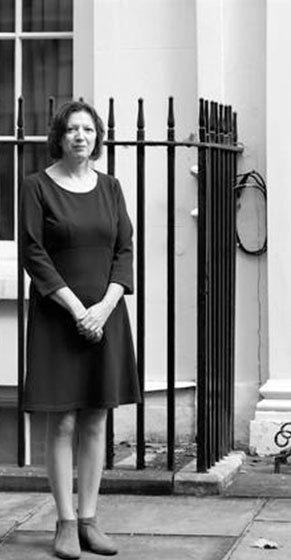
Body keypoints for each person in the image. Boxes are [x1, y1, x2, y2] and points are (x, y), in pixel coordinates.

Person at [21, 100, 140, 558]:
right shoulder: (37, 186)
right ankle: (65, 523)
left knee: (95, 418)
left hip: (105, 317)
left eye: (88, 129)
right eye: (72, 129)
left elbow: (124, 250)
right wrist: (77, 310)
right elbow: (34, 254)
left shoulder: (111, 188)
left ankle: (89, 519)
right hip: (58, 318)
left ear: (97, 137)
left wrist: (106, 306)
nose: (80, 137)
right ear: (59, 136)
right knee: (64, 420)